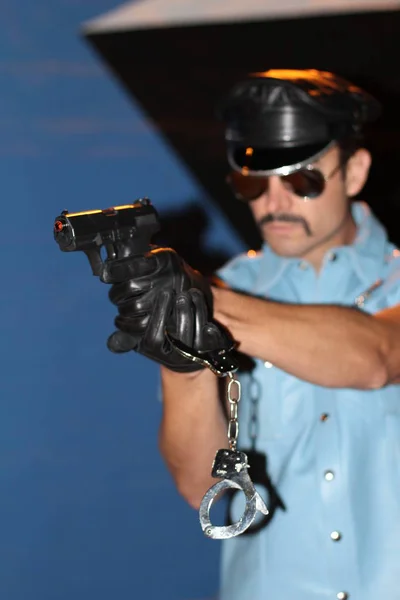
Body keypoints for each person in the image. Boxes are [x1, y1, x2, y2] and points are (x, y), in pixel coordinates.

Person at [105, 69, 400, 600]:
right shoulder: (212, 294)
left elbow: (377, 356)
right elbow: (202, 487)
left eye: (302, 180)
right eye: (252, 181)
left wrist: (205, 302)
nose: (274, 202)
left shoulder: (218, 298)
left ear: (354, 171)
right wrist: (185, 358)